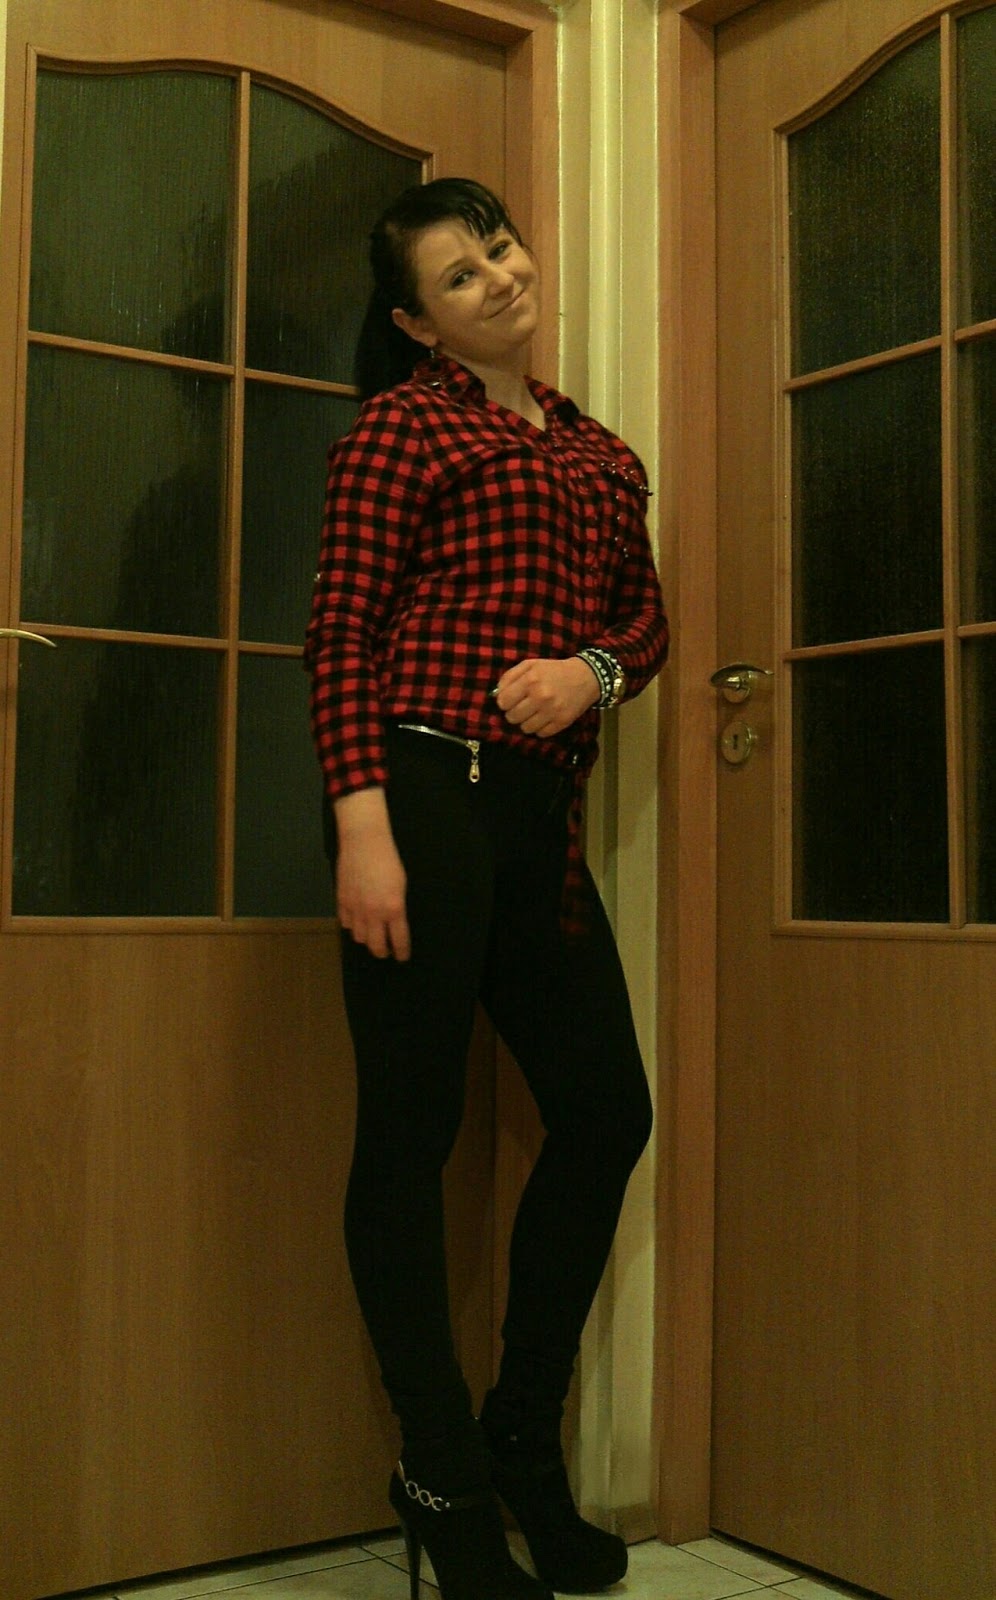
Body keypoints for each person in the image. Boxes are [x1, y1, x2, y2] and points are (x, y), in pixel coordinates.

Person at [304, 177, 669, 1600]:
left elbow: (642, 617)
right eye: (459, 276)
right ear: (419, 323)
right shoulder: (400, 430)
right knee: (410, 1135)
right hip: (417, 796)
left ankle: (522, 1437)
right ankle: (441, 1473)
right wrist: (363, 826)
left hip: (540, 821)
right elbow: (342, 632)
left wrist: (590, 673)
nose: (499, 278)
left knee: (607, 1112)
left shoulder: (601, 452)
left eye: (500, 248)